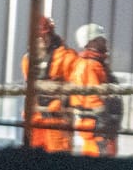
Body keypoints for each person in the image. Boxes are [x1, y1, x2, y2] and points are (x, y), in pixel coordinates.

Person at [20, 16, 78, 153]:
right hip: (35, 120)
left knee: (58, 160)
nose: (40, 40)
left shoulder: (67, 57)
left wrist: (58, 104)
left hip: (57, 121)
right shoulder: (28, 59)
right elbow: (30, 86)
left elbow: (75, 89)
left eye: (42, 36)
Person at [66, 23, 119, 157]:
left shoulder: (92, 64)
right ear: (90, 42)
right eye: (100, 39)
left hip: (97, 127)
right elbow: (92, 98)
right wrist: (105, 122)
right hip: (98, 129)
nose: (105, 41)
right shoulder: (90, 65)